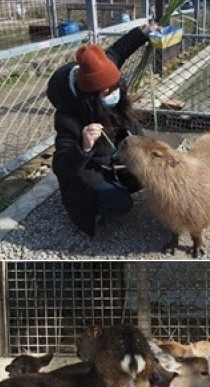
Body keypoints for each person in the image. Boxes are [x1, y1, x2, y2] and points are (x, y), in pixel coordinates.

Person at [46, 21, 160, 237]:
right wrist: (83, 146)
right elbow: (61, 167)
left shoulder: (100, 70)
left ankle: (118, 182)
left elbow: (118, 50)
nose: (114, 95)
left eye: (116, 88)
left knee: (145, 172)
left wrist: (143, 32)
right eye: (107, 92)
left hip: (112, 155)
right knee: (121, 204)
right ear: (89, 97)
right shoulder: (67, 117)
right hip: (90, 168)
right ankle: (93, 208)